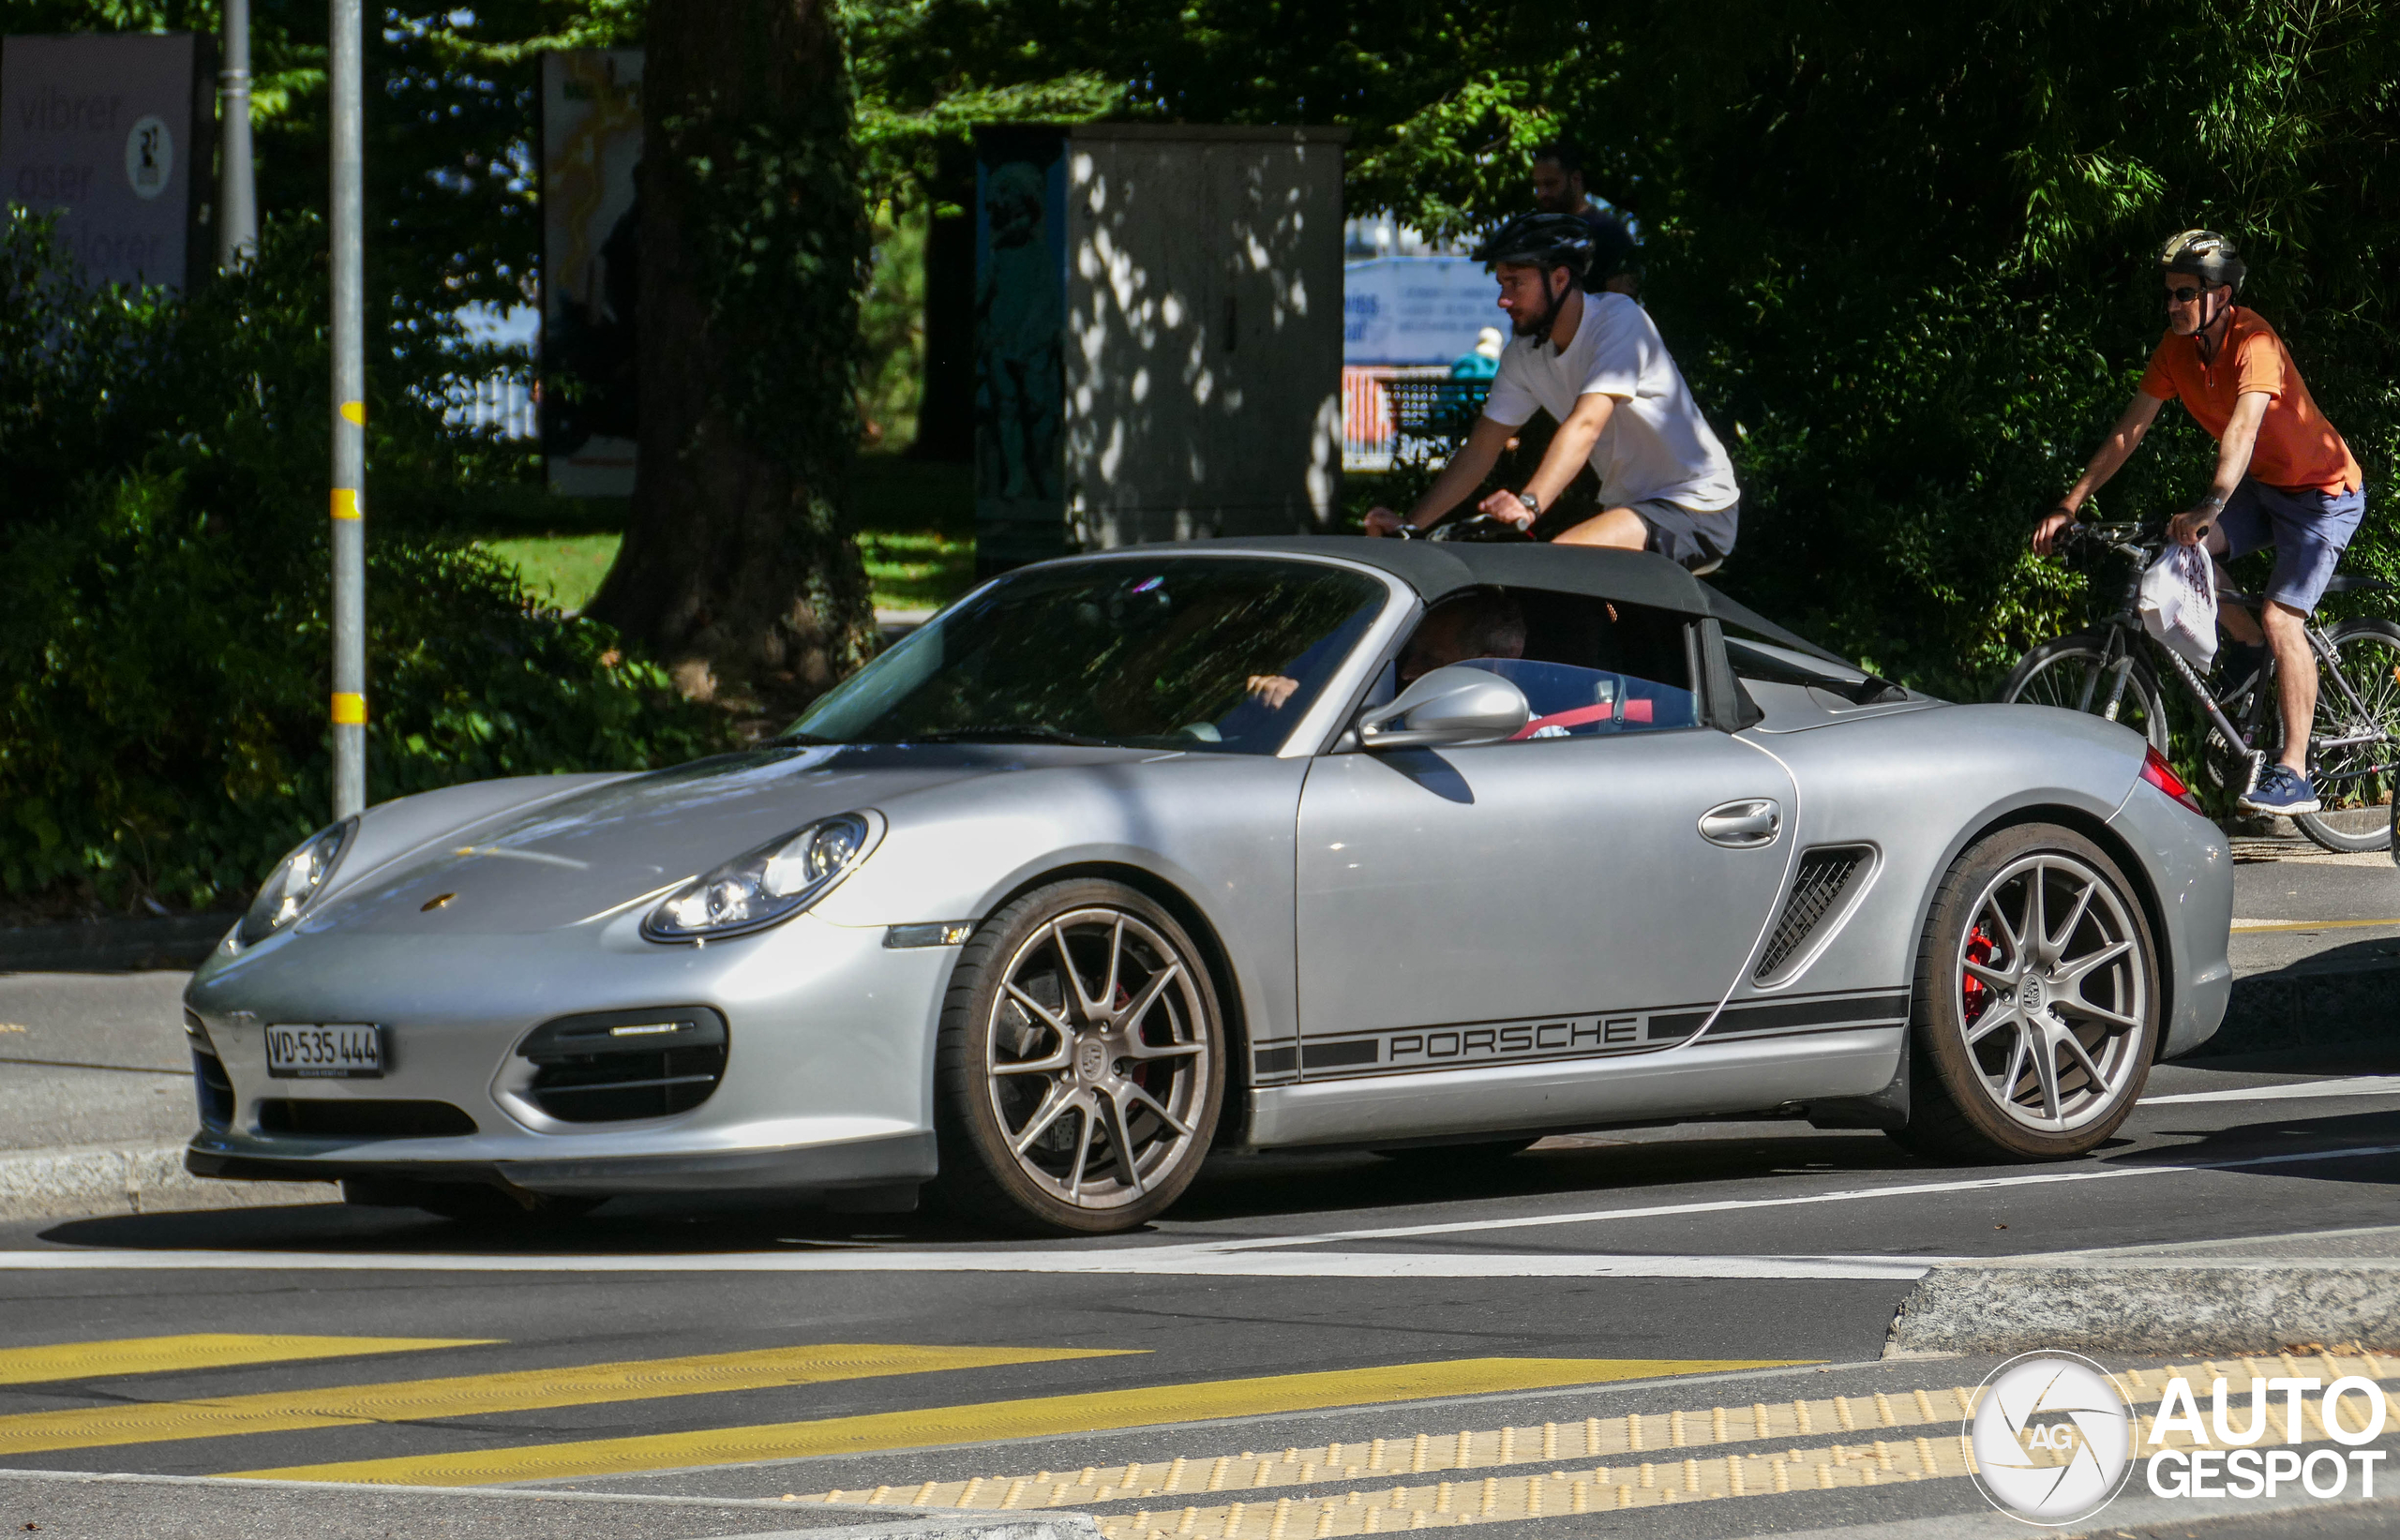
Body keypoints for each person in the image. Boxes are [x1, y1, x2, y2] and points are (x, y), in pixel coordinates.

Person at [2032, 230, 2366, 816]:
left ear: (2222, 293)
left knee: (2282, 616)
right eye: (2169, 294)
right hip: (2265, 489)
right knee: (2190, 556)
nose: (2173, 305)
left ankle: (2293, 770)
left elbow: (2242, 431)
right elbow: (2128, 431)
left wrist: (2210, 504)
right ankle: (2246, 648)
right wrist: (2071, 502)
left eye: (2185, 293)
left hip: (2321, 494)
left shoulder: (2254, 341)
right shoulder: (2174, 350)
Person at [1361, 213, 1743, 570]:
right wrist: (1411, 528)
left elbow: (1586, 423)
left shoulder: (1618, 320)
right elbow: (1480, 450)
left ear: (1560, 279)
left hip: (1697, 505)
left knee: (1559, 569)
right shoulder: (1523, 356)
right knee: (1583, 610)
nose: (1502, 300)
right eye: (1500, 285)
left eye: (1516, 284)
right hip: (1631, 508)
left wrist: (1529, 504)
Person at [1531, 141, 1638, 297]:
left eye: (1550, 184)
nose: (1542, 194)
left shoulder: (1608, 233)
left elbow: (1622, 304)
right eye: (1537, 186)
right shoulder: (1539, 233)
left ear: (1575, 179)